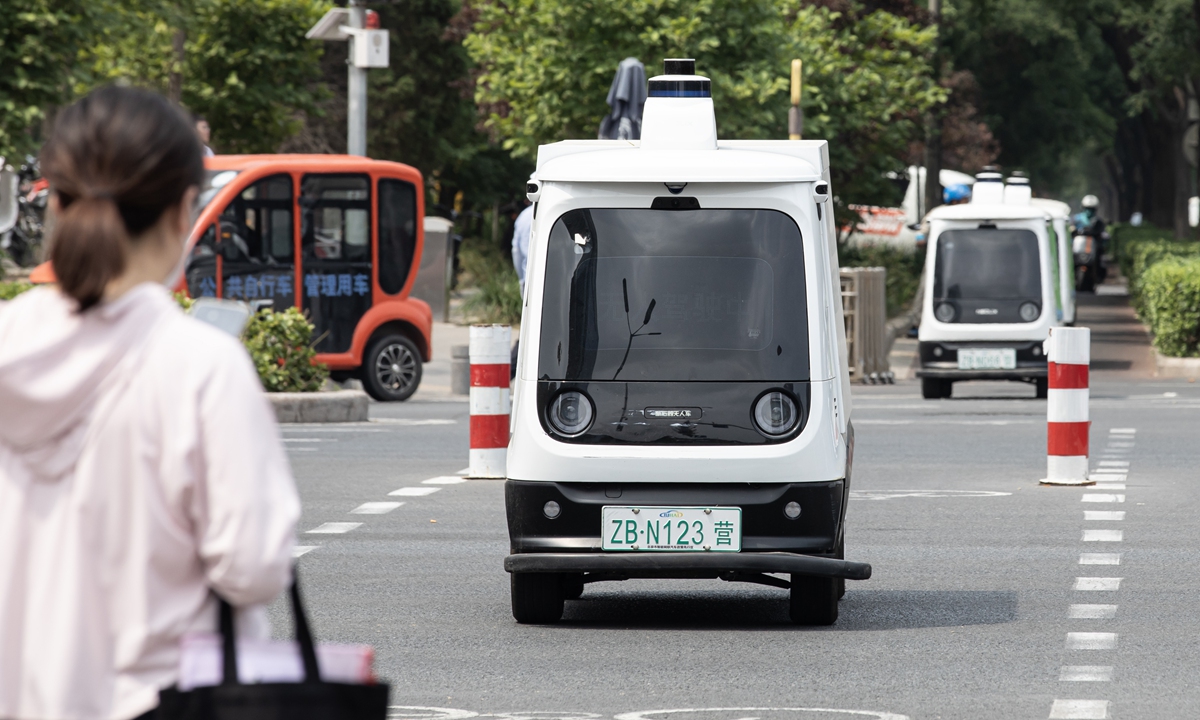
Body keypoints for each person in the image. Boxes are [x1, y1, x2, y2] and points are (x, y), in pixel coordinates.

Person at [0, 87, 299, 719]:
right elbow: (253, 568)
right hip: (159, 700)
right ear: (183, 208)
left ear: (53, 202)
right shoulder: (200, 367)